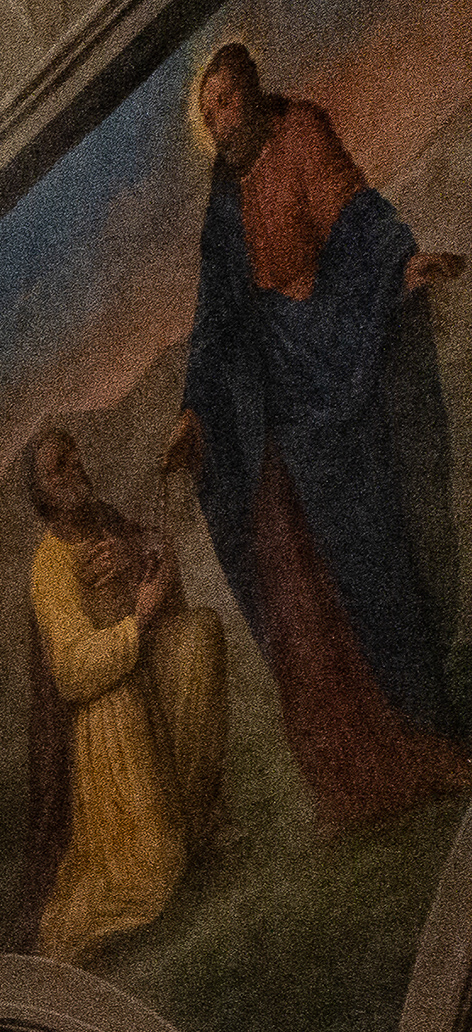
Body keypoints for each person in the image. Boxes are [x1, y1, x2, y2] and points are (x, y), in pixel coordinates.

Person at [159, 43, 469, 833]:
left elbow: (355, 214)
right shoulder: (223, 204)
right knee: (298, 595)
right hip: (272, 409)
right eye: (210, 112)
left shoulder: (301, 133)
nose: (222, 120)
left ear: (254, 91)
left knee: (377, 563)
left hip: (339, 363)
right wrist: (196, 412)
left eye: (227, 101)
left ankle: (433, 744)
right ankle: (359, 776)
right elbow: (213, 318)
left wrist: (402, 263)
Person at [21, 427, 227, 963]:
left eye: (74, 457)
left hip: (143, 668)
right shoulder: (48, 567)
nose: (74, 471)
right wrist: (137, 621)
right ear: (43, 495)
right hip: (108, 713)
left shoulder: (106, 524)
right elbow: (72, 672)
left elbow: (165, 578)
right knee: (154, 876)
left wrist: (138, 561)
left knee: (201, 635)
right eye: (58, 468)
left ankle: (197, 813)